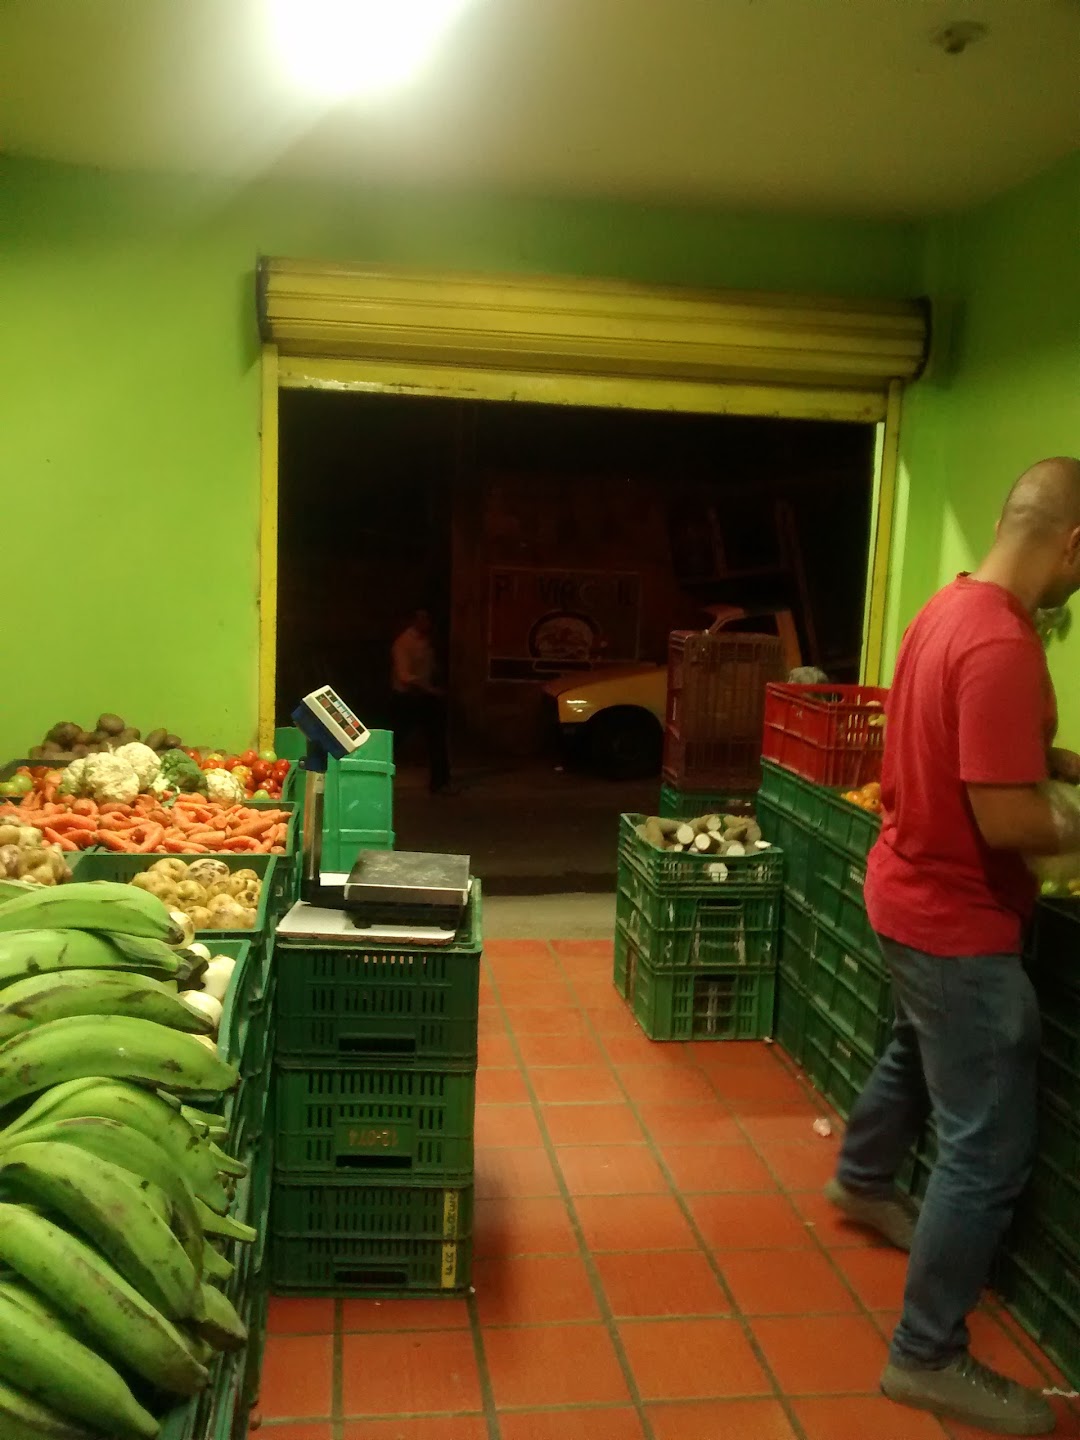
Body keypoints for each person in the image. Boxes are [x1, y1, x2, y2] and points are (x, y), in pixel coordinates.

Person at [824, 457, 1080, 1436]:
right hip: (957, 920)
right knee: (986, 1148)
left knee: (915, 1051)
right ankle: (926, 1355)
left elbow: (948, 739)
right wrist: (1067, 812)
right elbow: (1007, 819)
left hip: (902, 888)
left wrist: (1048, 760)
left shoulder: (948, 609)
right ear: (1072, 545)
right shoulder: (1006, 642)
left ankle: (863, 1177)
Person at [390, 609, 453, 795]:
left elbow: (430, 667)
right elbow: (404, 676)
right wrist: (428, 687)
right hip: (408, 698)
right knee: (397, 738)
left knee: (437, 739)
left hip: (424, 697)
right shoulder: (403, 643)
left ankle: (440, 781)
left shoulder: (427, 642)